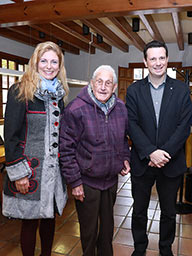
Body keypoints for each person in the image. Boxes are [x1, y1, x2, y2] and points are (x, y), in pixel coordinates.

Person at [126, 40, 192, 256]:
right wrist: (150, 152)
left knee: (169, 212)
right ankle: (139, 248)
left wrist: (165, 153)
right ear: (145, 62)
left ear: (167, 60)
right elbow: (131, 124)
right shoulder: (134, 90)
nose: (157, 62)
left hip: (170, 162)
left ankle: (166, 249)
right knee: (138, 211)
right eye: (152, 58)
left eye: (161, 58)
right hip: (142, 162)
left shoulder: (182, 89)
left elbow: (184, 126)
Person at [3, 41, 69, 256]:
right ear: (35, 63)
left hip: (53, 172)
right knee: (30, 222)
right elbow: (10, 136)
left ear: (59, 66)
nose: (49, 66)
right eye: (44, 61)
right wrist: (19, 174)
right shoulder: (20, 91)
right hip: (30, 171)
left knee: (50, 219)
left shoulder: (60, 96)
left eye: (54, 62)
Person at [59, 65, 130, 256]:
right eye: (99, 81)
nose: (103, 87)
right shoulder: (76, 109)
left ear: (114, 87)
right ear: (92, 83)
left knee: (107, 231)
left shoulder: (121, 108)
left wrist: (124, 158)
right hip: (86, 182)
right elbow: (66, 150)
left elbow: (123, 139)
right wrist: (75, 183)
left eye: (108, 83)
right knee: (89, 232)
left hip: (111, 181)